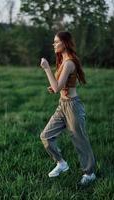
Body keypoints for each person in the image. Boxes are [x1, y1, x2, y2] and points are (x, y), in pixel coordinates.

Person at [39, 31, 96, 186]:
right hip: (62, 105)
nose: (54, 44)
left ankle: (89, 173)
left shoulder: (69, 62)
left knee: (80, 141)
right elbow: (59, 86)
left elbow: (57, 87)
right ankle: (61, 163)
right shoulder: (63, 60)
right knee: (45, 136)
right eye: (53, 42)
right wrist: (54, 87)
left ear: (64, 43)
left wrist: (46, 68)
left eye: (56, 41)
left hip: (72, 106)